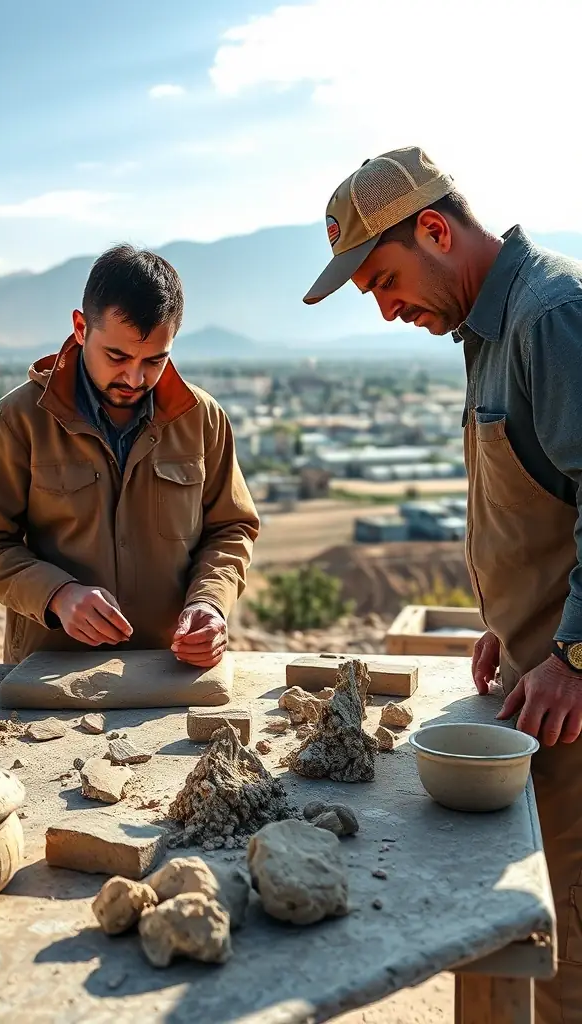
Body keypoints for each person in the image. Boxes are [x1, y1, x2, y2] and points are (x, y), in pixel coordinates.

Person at [303, 146, 582, 1023]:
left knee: (563, 929)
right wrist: (510, 618)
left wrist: (572, 650)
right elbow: (540, 500)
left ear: (434, 229)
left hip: (572, 693)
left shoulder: (550, 316)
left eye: (385, 280)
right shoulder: (487, 331)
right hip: (536, 684)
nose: (387, 310)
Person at [0, 243, 259, 670]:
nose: (134, 377)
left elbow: (231, 528)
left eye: (155, 360)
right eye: (117, 356)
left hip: (170, 671)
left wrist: (211, 602)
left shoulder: (202, 419)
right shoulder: (17, 420)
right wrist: (57, 595)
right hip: (50, 675)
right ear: (81, 328)